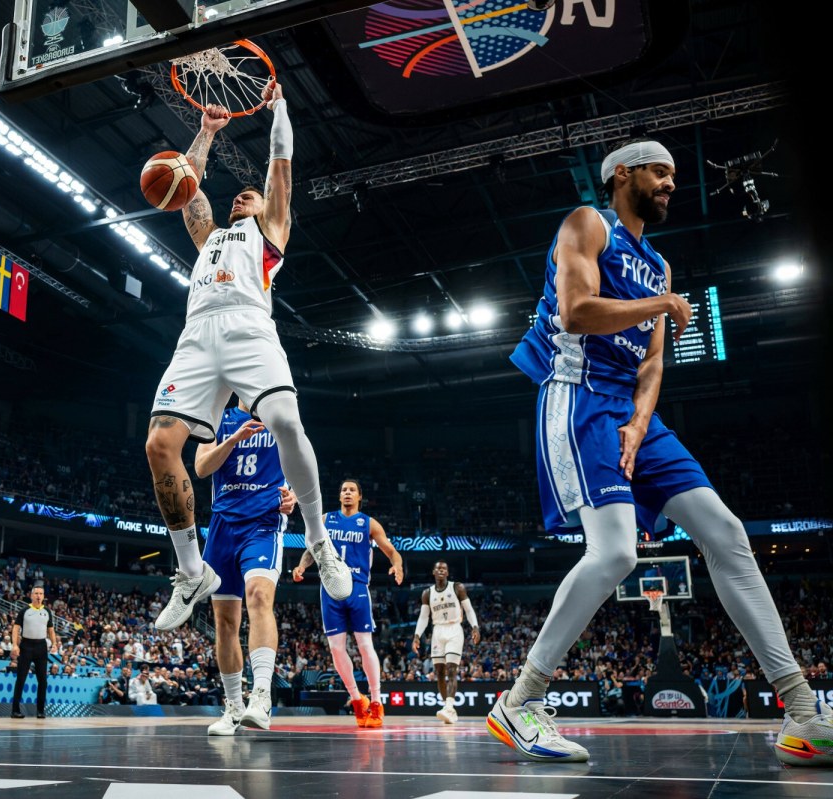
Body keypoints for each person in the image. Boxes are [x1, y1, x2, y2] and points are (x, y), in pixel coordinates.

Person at [488, 137, 832, 766]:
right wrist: (663, 305)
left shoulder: (661, 263)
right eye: (661, 172)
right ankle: (520, 700)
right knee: (615, 552)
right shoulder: (587, 223)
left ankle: (803, 708)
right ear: (623, 174)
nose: (673, 183)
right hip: (579, 395)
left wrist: (642, 422)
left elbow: (652, 361)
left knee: (726, 533)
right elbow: (575, 311)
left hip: (630, 413)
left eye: (673, 174)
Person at [144, 78, 352, 633]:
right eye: (239, 194)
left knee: (283, 417)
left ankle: (318, 539)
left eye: (249, 195)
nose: (243, 195)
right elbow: (187, 190)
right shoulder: (211, 235)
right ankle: (191, 572)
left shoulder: (270, 231)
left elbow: (280, 163)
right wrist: (206, 133)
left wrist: (281, 104)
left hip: (247, 326)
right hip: (196, 335)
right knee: (160, 444)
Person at [195, 398, 296, 735]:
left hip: (263, 523)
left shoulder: (280, 414)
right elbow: (201, 467)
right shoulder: (216, 418)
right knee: (225, 622)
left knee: (258, 596)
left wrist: (294, 494)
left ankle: (262, 696)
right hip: (223, 526)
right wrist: (234, 439)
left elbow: (299, 463)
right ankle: (234, 707)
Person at [293, 479, 403, 728]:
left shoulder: (368, 523)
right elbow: (312, 548)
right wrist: (302, 565)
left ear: (359, 497)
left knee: (365, 644)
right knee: (335, 648)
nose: (347, 493)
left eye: (352, 490)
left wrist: (397, 565)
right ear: (340, 495)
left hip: (358, 587)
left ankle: (376, 701)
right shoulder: (325, 520)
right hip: (330, 588)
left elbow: (390, 549)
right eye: (343, 489)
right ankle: (356, 699)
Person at [412, 561, 480, 724]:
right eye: (438, 568)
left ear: (447, 573)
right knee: (440, 672)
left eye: (444, 569)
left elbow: (469, 610)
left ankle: (449, 707)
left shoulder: (457, 587)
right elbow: (423, 617)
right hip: (437, 631)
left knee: (451, 668)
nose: (441, 570)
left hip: (454, 629)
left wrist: (475, 627)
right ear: (433, 572)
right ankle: (448, 708)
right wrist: (416, 635)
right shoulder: (427, 593)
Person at [10, 583, 58, 719]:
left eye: (41, 594)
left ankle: (41, 710)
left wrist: (54, 643)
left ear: (44, 596)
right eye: (36, 593)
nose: (38, 596)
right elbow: (15, 628)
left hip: (41, 647)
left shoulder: (47, 611)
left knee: (43, 680)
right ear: (31, 595)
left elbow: (51, 630)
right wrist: (15, 645)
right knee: (21, 678)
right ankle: (15, 710)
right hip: (26, 646)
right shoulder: (24, 611)